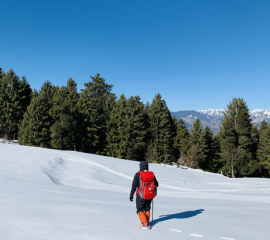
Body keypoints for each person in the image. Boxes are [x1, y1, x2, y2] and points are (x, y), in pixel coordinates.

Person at [130, 161, 159, 229]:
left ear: (140, 167)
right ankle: (147, 222)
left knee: (139, 209)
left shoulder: (138, 174)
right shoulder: (151, 174)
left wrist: (131, 195)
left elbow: (134, 186)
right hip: (150, 195)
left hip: (141, 195)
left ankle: (144, 223)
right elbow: (157, 184)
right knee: (147, 208)